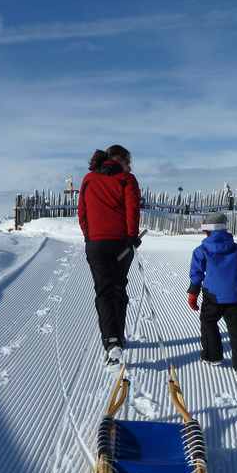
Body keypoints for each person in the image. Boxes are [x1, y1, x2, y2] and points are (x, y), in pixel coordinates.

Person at [78, 144, 142, 369]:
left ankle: (111, 341)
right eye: (128, 161)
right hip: (120, 244)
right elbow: (132, 209)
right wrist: (132, 236)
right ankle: (118, 337)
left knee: (103, 291)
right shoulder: (126, 179)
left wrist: (89, 236)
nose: (129, 166)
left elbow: (82, 212)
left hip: (96, 244)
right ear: (119, 159)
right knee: (118, 288)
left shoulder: (88, 179)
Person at [187, 212, 237, 375]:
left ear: (208, 231)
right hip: (235, 296)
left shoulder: (201, 251)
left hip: (212, 296)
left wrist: (193, 293)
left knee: (208, 323)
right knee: (236, 327)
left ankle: (212, 355)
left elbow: (197, 274)